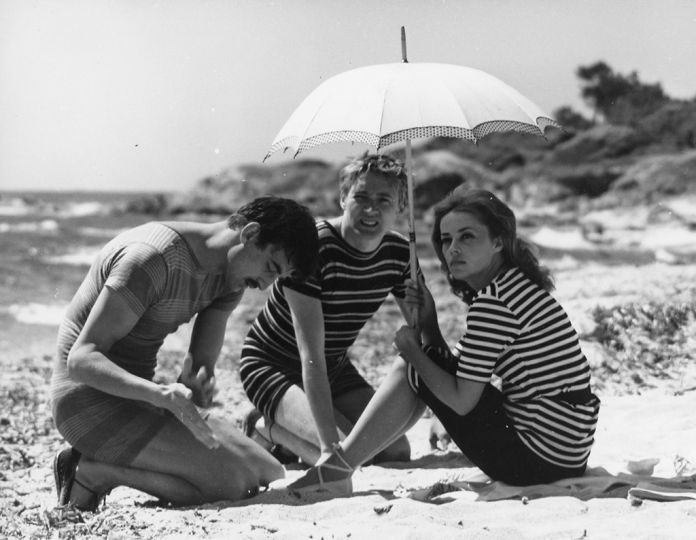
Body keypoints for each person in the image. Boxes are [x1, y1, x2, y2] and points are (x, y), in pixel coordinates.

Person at [289, 187, 601, 495]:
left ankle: (338, 469)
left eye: (467, 237)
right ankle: (341, 467)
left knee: (413, 366)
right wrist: (429, 323)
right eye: (447, 239)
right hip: (567, 453)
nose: (453, 249)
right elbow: (457, 368)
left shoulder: (494, 304)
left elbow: (461, 399)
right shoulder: (514, 287)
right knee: (423, 364)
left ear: (498, 242)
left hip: (537, 459)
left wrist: (411, 351)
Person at [50, 196, 319, 511]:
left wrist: (194, 389)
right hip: (85, 402)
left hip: (142, 400)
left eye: (277, 277)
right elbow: (81, 361)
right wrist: (162, 394)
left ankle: (108, 461)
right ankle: (93, 472)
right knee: (232, 486)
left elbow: (199, 369)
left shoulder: (230, 280)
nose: (265, 286)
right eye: (271, 268)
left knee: (269, 471)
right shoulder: (152, 258)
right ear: (250, 234)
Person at [239, 153, 435, 466]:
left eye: (384, 200)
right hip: (273, 366)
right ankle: (267, 427)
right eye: (361, 197)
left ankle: (290, 429)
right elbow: (310, 356)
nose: (371, 209)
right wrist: (332, 449)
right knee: (345, 456)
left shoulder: (400, 254)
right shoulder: (313, 249)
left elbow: (426, 335)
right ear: (343, 197)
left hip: (334, 368)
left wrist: (441, 414)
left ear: (400, 208)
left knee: (395, 453)